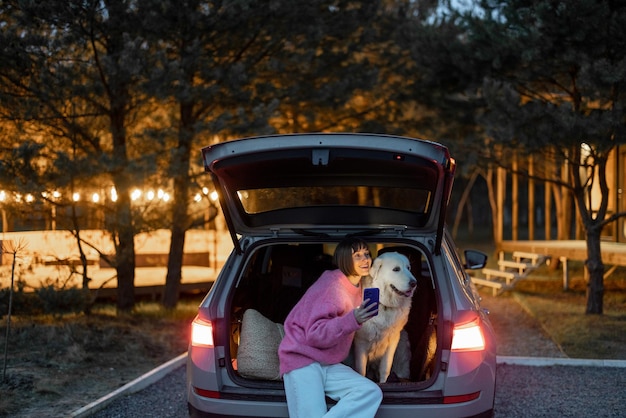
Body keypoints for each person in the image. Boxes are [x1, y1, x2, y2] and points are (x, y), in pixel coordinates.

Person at [278, 237, 382, 418]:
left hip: (328, 362)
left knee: (370, 393)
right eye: (357, 255)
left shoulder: (358, 286)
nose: (365, 259)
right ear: (343, 259)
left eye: (366, 254)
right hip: (302, 359)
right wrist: (352, 319)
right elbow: (314, 335)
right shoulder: (332, 286)